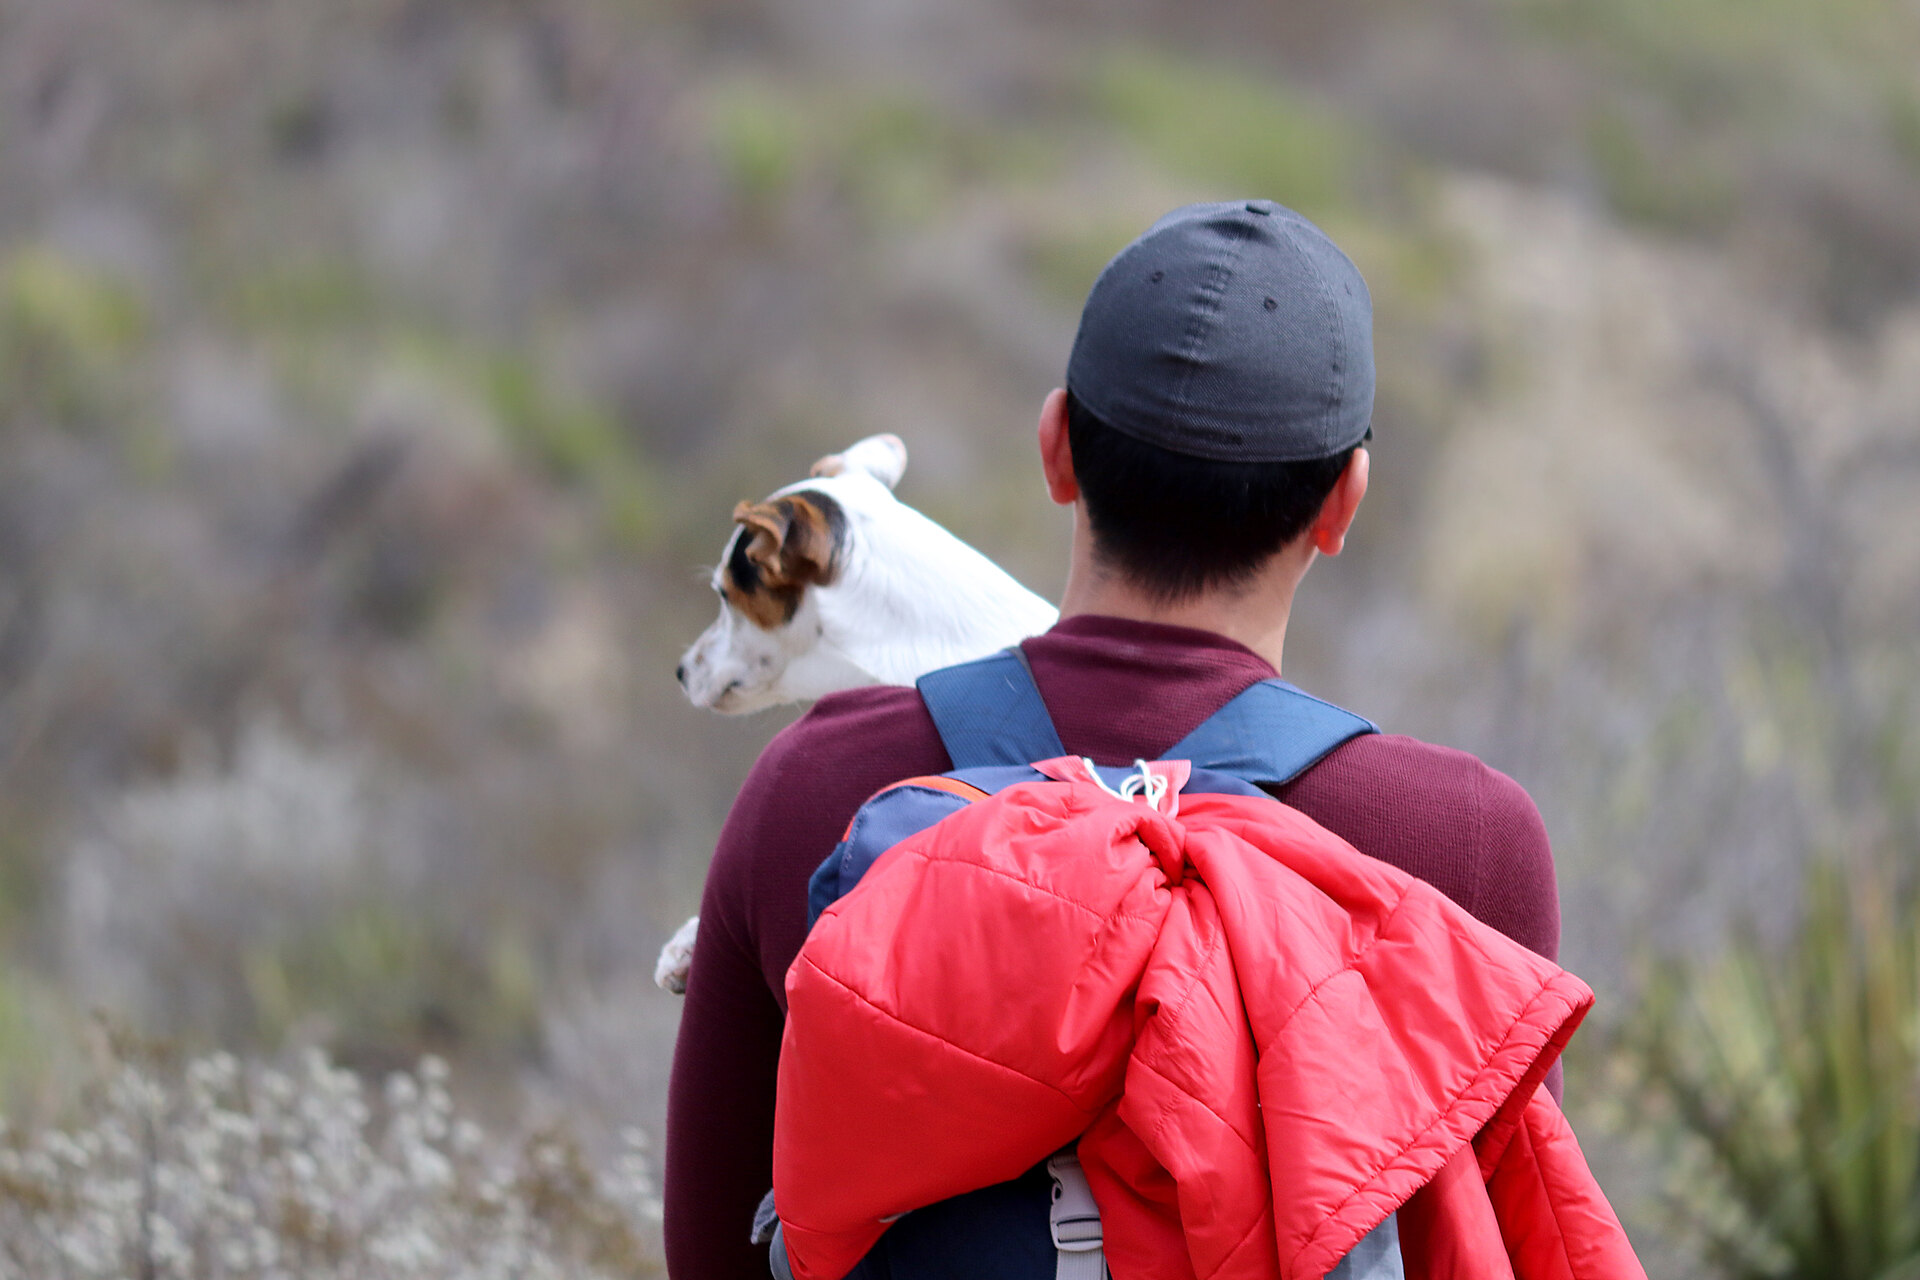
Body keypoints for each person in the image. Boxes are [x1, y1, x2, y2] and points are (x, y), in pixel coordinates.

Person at [664, 199, 1559, 1280]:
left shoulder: (817, 789)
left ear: (1055, 449)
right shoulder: (1460, 842)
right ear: (1342, 502)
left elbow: (712, 1252)